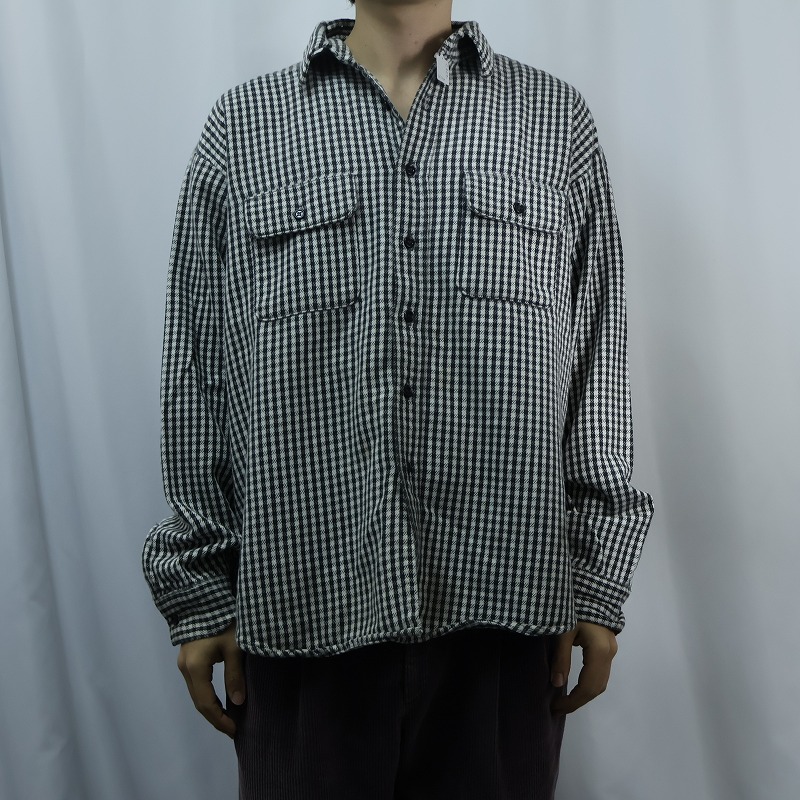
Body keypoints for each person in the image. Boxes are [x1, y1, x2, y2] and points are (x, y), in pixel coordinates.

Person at [142, 1, 654, 797]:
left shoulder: (554, 122)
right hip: (302, 606)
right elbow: (199, 367)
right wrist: (201, 588)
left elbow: (595, 356)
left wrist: (596, 575)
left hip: (506, 612)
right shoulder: (243, 128)